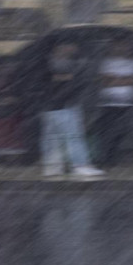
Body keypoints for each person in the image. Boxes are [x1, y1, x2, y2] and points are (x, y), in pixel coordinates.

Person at [39, 42, 104, 178]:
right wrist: (67, 79)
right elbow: (52, 81)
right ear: (59, 47)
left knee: (53, 137)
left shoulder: (55, 62)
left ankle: (52, 167)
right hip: (61, 104)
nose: (74, 48)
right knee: (73, 136)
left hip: (56, 104)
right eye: (70, 45)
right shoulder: (55, 64)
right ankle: (80, 165)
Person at [93, 39, 133, 166]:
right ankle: (106, 159)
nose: (122, 49)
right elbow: (105, 82)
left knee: (122, 132)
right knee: (108, 131)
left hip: (128, 103)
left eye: (125, 46)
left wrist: (116, 79)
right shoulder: (107, 62)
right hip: (109, 103)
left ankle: (114, 158)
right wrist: (127, 79)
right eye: (119, 46)